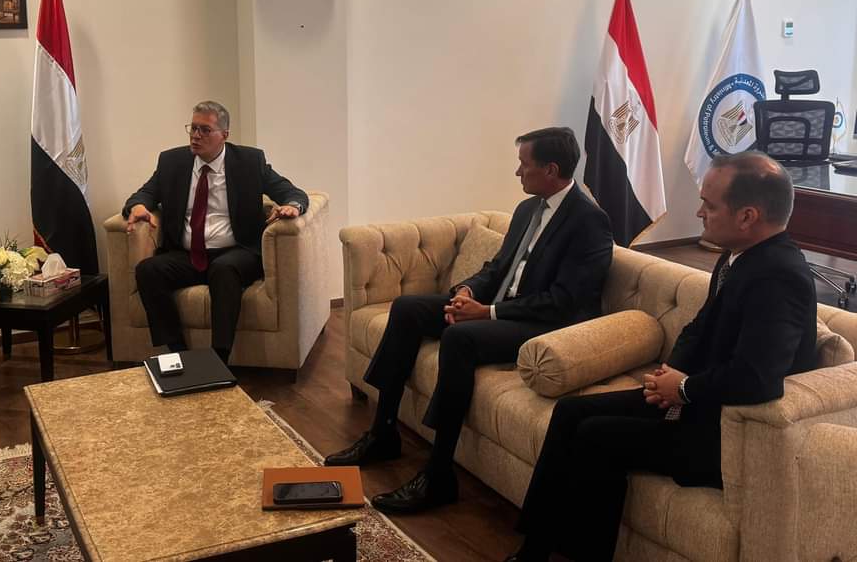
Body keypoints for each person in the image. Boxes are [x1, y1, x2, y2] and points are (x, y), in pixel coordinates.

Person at [507, 151, 818, 562]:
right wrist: (671, 373)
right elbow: (699, 327)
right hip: (695, 398)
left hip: (726, 434)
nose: (699, 213)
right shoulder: (737, 256)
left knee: (597, 435)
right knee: (570, 411)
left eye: (709, 205)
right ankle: (535, 547)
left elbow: (757, 379)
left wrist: (684, 389)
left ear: (747, 216)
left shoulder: (779, 276)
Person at [326, 127, 614, 515]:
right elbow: (497, 267)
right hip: (499, 308)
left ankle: (439, 475)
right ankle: (383, 432)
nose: (517, 172)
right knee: (408, 308)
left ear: (550, 169)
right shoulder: (528, 209)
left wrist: (488, 313)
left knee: (460, 338)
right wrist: (466, 291)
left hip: (544, 327)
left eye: (524, 164)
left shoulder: (589, 221)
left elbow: (564, 302)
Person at [122, 101, 308, 364]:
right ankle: (178, 353)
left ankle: (218, 359)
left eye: (205, 130)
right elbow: (145, 193)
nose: (196, 136)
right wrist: (138, 206)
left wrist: (292, 206)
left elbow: (292, 192)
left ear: (224, 134)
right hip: (187, 254)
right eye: (193, 128)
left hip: (237, 252)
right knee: (148, 270)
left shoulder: (249, 162)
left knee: (224, 269)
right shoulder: (172, 162)